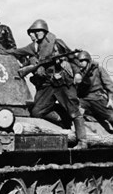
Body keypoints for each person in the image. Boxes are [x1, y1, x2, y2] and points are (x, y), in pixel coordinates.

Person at [20, 19, 88, 149]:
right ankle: (62, 118)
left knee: (74, 111)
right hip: (48, 84)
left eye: (38, 31)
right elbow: (22, 58)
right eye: (33, 32)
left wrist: (78, 73)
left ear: (44, 32)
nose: (35, 34)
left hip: (63, 82)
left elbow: (73, 58)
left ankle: (82, 141)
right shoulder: (35, 49)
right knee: (37, 112)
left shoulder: (57, 43)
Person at [76, 51, 113, 134]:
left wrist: (110, 99)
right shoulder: (79, 73)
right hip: (84, 100)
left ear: (87, 60)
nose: (79, 63)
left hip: (98, 99)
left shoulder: (98, 69)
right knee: (74, 114)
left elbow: (110, 85)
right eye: (78, 61)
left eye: (81, 61)